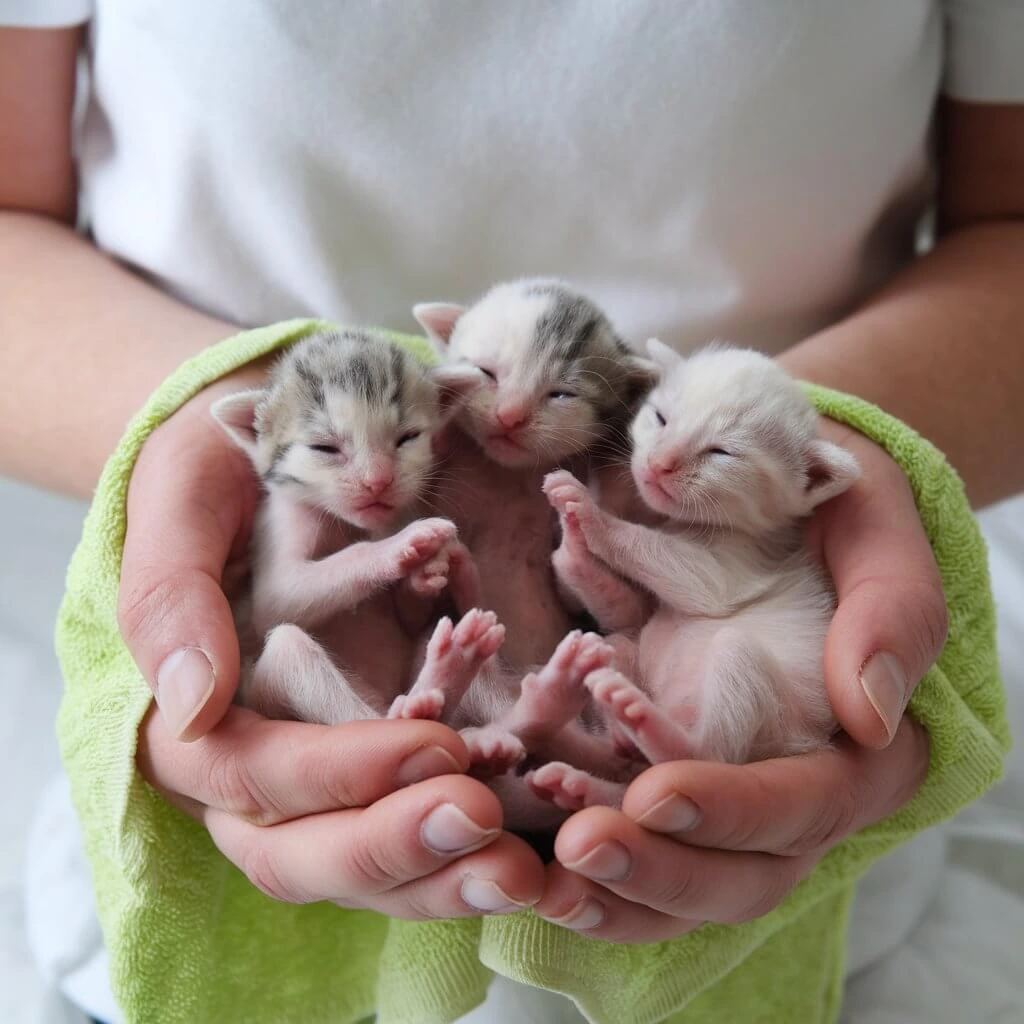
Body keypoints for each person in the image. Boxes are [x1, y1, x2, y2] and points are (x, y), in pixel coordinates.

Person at [1, 2, 1021, 1021]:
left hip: (799, 887)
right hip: (233, 827)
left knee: (598, 697)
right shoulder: (349, 488)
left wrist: (798, 445)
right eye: (479, 375)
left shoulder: (613, 476)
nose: (503, 416)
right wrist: (191, 442)